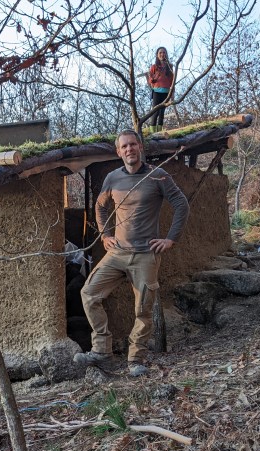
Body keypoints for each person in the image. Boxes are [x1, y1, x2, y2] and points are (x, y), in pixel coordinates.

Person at [74, 129, 189, 377]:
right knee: (89, 293)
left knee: (143, 310)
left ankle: (136, 359)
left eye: (133, 145)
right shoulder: (113, 178)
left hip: (146, 254)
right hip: (118, 253)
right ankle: (102, 351)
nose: (129, 149)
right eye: (124, 146)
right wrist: (105, 235)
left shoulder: (158, 175)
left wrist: (171, 239)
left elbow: (181, 204)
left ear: (140, 147)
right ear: (119, 151)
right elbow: (100, 206)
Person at [146, 47, 173, 132]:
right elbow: (150, 80)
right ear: (157, 55)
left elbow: (172, 80)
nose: (162, 54)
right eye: (160, 53)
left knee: (162, 113)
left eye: (164, 52)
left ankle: (159, 132)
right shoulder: (154, 67)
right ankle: (152, 133)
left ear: (166, 54)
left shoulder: (170, 66)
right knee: (155, 112)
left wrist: (172, 93)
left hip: (166, 92)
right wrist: (153, 78)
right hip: (156, 92)